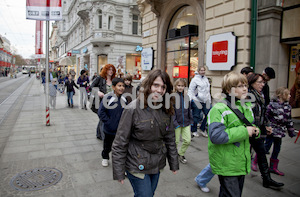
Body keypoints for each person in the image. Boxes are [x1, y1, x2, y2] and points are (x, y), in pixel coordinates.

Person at [112, 69, 179, 197]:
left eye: (163, 87)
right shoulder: (132, 109)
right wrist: (119, 171)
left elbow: (170, 138)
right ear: (148, 85)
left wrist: (173, 162)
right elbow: (120, 142)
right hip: (136, 162)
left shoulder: (166, 108)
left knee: (149, 194)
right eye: (156, 85)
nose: (159, 90)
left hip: (157, 162)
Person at [208, 72, 257, 196]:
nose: (245, 88)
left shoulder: (246, 106)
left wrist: (256, 131)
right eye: (240, 86)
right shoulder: (219, 109)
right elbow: (216, 136)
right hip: (227, 164)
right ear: (229, 90)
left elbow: (250, 125)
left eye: (245, 85)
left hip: (240, 162)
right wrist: (245, 132)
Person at [248, 73, 284, 188]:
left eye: (263, 82)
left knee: (261, 152)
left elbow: (263, 112)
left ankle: (266, 179)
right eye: (260, 82)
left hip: (258, 129)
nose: (262, 84)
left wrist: (267, 125)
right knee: (247, 152)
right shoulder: (249, 95)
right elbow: (247, 114)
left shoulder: (260, 95)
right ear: (252, 82)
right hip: (251, 130)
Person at [264, 87, 296, 176]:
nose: (290, 96)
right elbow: (266, 117)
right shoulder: (272, 105)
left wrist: (291, 131)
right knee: (266, 146)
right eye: (288, 94)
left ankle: (273, 167)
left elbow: (289, 120)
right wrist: (267, 127)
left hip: (280, 131)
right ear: (281, 95)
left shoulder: (288, 107)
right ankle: (257, 160)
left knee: (277, 149)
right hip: (271, 130)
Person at [98, 78, 126, 167]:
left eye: (123, 86)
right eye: (119, 86)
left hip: (121, 130)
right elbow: (101, 112)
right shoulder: (108, 97)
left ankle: (121, 164)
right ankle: (105, 157)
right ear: (113, 87)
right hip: (109, 129)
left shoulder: (124, 99)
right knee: (107, 145)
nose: (121, 88)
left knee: (121, 148)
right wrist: (109, 123)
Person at [89, 64, 116, 140]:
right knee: (103, 119)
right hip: (101, 103)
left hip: (111, 104)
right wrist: (98, 92)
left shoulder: (114, 79)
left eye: (112, 70)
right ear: (105, 70)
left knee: (102, 119)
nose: (111, 71)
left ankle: (99, 134)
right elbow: (91, 87)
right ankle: (104, 137)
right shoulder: (100, 78)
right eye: (109, 70)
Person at [172, 78, 193, 164]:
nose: (180, 87)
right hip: (177, 123)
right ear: (176, 86)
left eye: (182, 86)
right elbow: (172, 111)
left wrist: (191, 119)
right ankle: (173, 155)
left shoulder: (186, 97)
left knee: (187, 140)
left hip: (186, 122)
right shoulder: (172, 97)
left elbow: (189, 109)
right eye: (179, 85)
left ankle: (181, 153)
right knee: (176, 141)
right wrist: (175, 123)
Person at [188, 66, 211, 138]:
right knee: (196, 117)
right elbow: (191, 90)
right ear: (198, 71)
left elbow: (208, 91)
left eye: (204, 70)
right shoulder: (195, 80)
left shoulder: (206, 79)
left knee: (209, 114)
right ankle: (193, 130)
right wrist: (190, 99)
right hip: (197, 100)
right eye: (201, 70)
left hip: (205, 100)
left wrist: (209, 99)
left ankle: (202, 128)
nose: (203, 72)